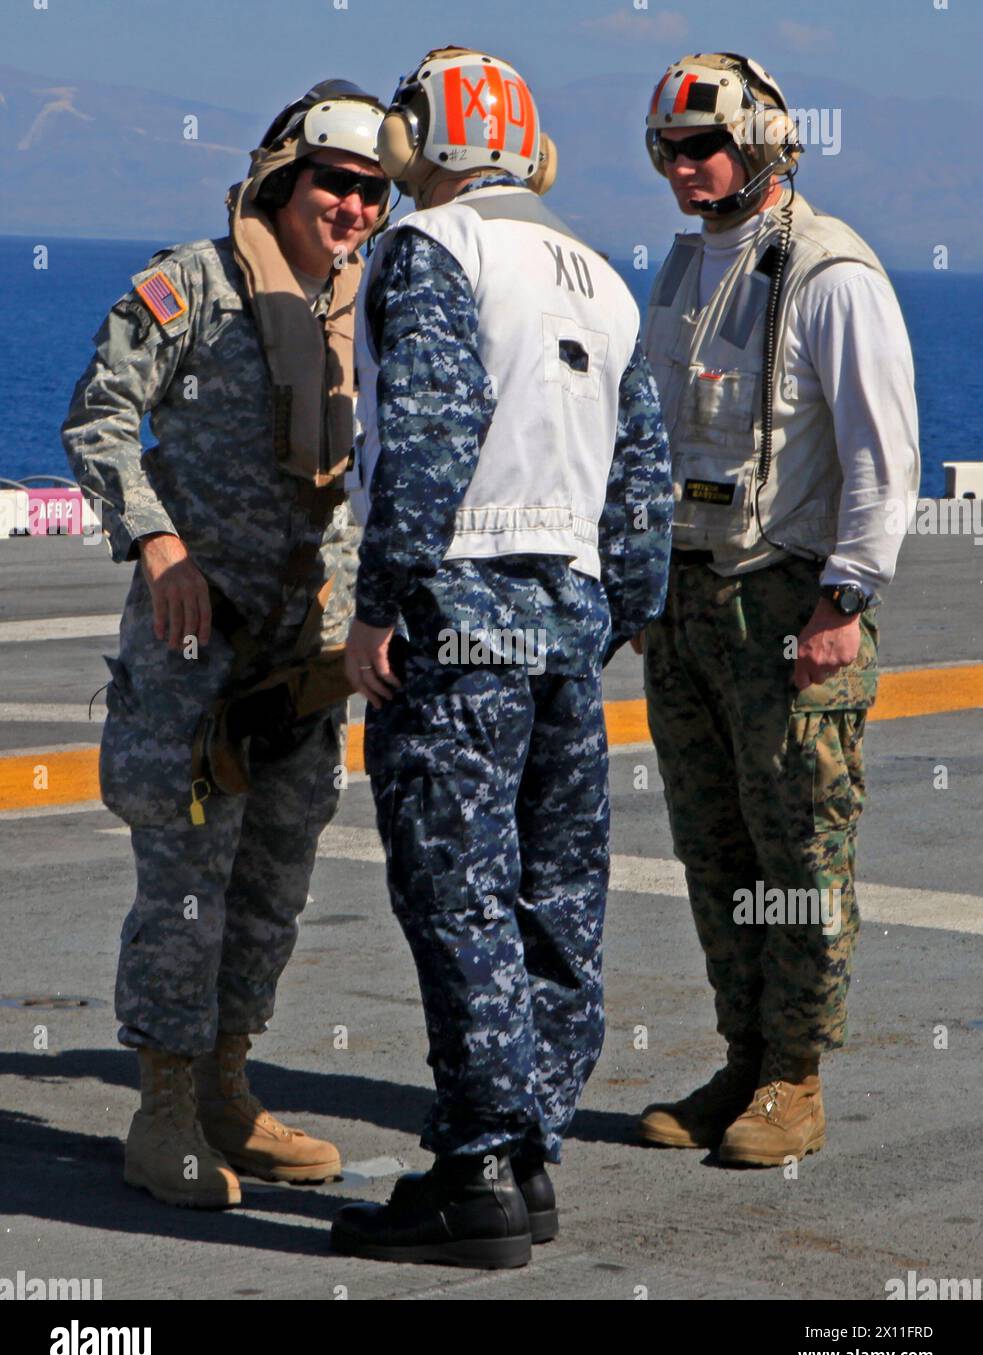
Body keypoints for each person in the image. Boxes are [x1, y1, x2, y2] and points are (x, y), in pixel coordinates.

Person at [330, 46, 673, 1269]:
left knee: (456, 886)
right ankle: (527, 1155)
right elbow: (643, 486)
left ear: (426, 134)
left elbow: (423, 437)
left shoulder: (433, 249)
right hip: (568, 614)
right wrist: (614, 610)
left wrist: (377, 605)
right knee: (554, 894)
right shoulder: (599, 275)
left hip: (460, 602)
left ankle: (472, 1169)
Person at [61, 81, 390, 1208]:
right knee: (188, 884)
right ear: (281, 177)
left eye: (372, 190)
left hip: (308, 660)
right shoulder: (191, 288)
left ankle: (227, 1090)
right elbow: (97, 413)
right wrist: (158, 546)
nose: (351, 207)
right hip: (196, 654)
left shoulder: (370, 305)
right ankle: (162, 1113)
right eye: (334, 183)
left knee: (273, 886)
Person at [635, 53, 920, 1165]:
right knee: (714, 852)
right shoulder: (680, 270)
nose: (682, 169)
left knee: (800, 852)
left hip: (789, 604)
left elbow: (881, 460)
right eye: (665, 152)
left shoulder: (829, 271)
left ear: (759, 143)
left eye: (701, 149)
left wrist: (843, 600)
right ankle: (741, 1058)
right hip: (686, 604)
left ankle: (794, 1076)